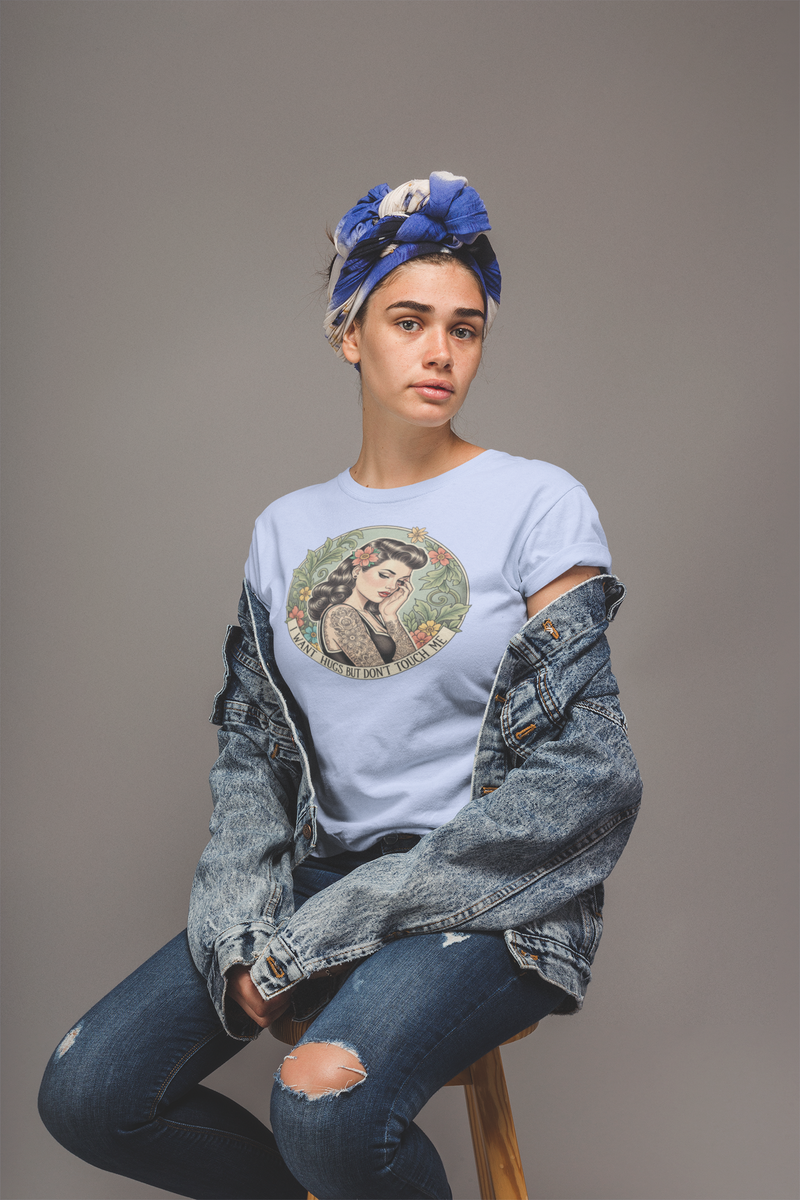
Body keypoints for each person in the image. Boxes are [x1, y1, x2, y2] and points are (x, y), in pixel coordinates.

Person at [39, 171, 642, 1200]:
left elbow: (590, 778)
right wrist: (240, 924)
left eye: (464, 328)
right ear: (349, 334)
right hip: (317, 877)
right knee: (91, 1094)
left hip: (488, 896)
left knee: (324, 1104)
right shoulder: (286, 529)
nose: (440, 351)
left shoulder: (537, 503)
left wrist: (329, 930)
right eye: (409, 321)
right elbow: (252, 758)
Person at [308, 538, 426, 666]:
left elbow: (410, 663)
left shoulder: (370, 613)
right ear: (357, 571)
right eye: (384, 575)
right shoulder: (341, 613)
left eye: (401, 581)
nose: (392, 586)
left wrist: (389, 616)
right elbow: (377, 672)